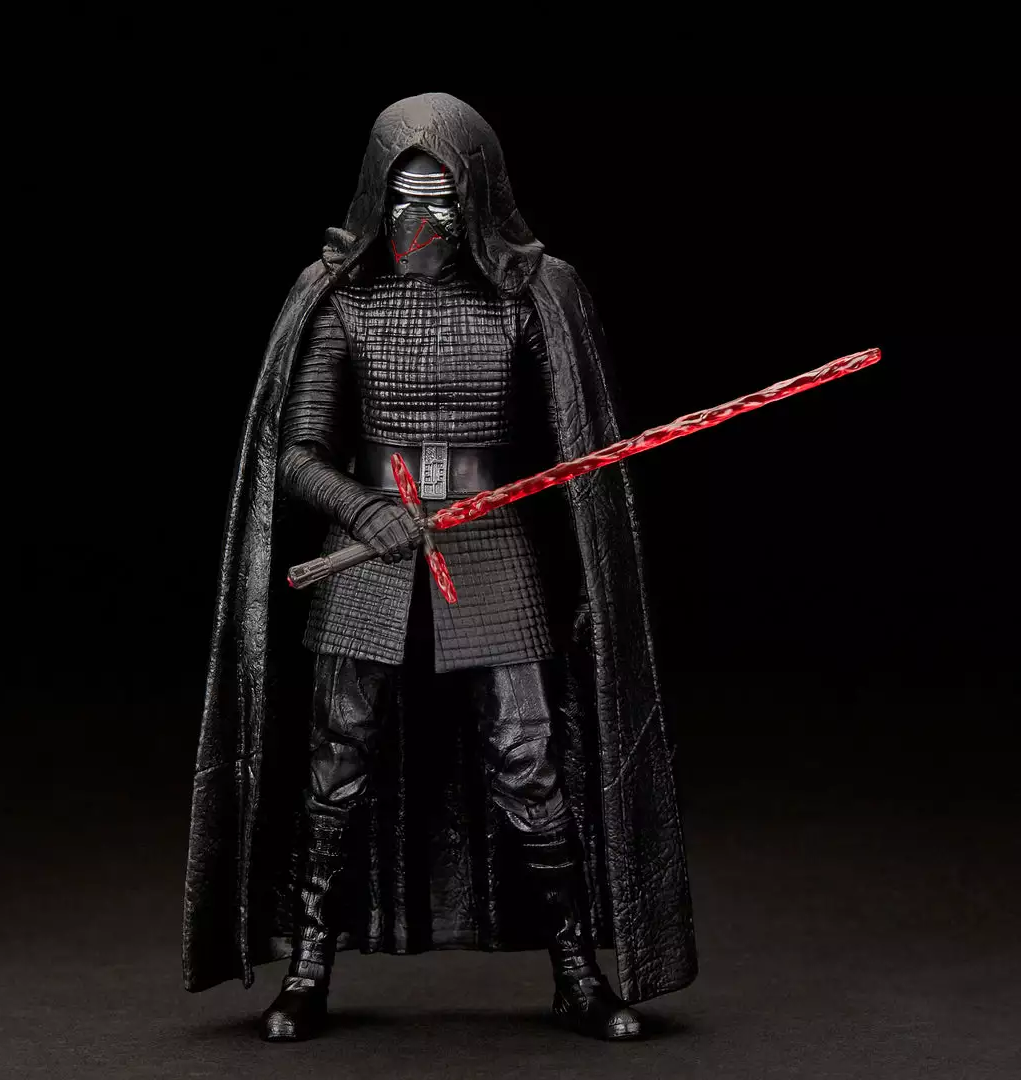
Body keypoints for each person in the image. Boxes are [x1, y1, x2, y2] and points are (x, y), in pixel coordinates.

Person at [183, 92, 697, 1044]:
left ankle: (576, 971)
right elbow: (296, 453)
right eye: (405, 199)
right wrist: (363, 508)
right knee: (337, 762)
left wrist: (573, 544)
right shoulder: (341, 298)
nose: (420, 221)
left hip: (490, 548)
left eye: (443, 200)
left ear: (479, 197)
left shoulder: (534, 295)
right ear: (376, 197)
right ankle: (307, 969)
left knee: (531, 761)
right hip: (370, 557)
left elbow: (577, 441)